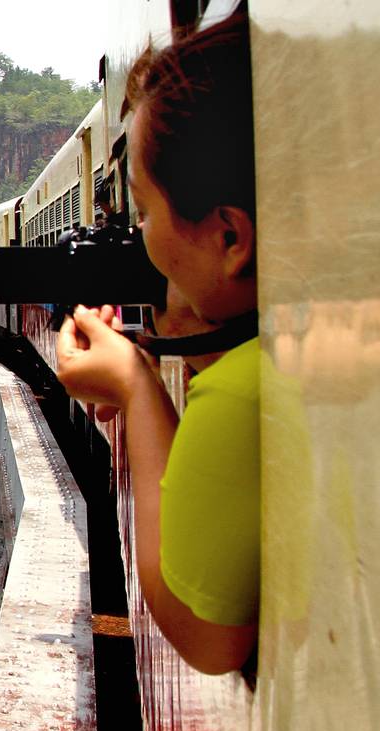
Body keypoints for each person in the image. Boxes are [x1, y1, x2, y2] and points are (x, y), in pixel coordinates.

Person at [54, 12, 259, 675]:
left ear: (230, 238)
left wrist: (137, 387)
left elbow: (207, 639)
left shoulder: (240, 396)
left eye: (140, 211)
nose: (135, 237)